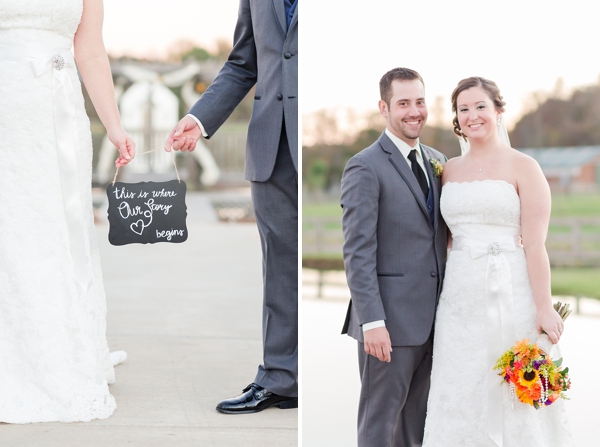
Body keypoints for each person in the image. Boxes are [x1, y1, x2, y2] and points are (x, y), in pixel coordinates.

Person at [0, 0, 135, 423]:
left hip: (58, 114)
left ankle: (58, 350)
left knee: (56, 229)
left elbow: (90, 48)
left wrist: (114, 126)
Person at [422, 77, 574, 446]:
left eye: (480, 107)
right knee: (459, 383)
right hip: (459, 298)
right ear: (456, 118)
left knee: (512, 389)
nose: (472, 116)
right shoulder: (448, 170)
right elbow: (443, 239)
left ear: (498, 111)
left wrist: (544, 307)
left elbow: (535, 245)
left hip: (512, 291)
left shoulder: (525, 167)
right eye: (463, 109)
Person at [164, 0, 298, 413]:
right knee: (278, 267)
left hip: (322, 136)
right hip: (271, 146)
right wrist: (200, 118)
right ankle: (281, 379)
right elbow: (244, 62)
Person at [340, 67, 448, 446]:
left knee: (415, 429)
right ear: (384, 108)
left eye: (420, 101)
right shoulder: (364, 165)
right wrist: (372, 321)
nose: (414, 111)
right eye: (404, 103)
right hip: (388, 327)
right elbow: (357, 251)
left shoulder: (438, 160)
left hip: (435, 322)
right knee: (378, 427)